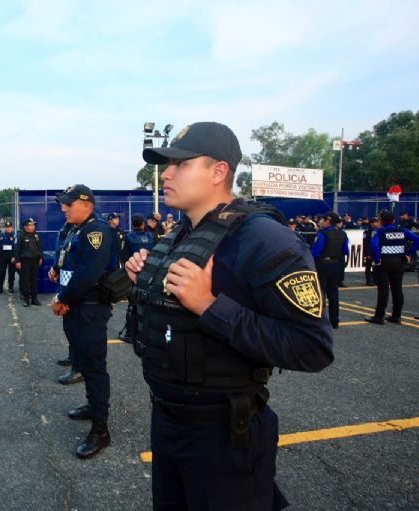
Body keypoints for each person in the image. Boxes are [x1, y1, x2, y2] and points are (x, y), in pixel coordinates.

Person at [126, 121, 334, 509]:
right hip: (167, 422)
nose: (166, 174)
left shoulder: (265, 239)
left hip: (223, 435)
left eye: (180, 164)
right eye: (167, 165)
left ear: (219, 171)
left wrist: (209, 306)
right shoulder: (180, 234)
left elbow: (312, 347)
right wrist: (146, 279)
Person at [53, 184, 119, 459]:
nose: (64, 208)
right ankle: (93, 407)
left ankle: (101, 429)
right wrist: (57, 270)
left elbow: (88, 275)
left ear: (87, 205)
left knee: (94, 367)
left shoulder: (96, 231)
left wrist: (61, 298)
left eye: (69, 204)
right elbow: (71, 261)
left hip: (89, 309)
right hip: (76, 306)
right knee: (83, 362)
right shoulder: (77, 230)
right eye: (63, 204)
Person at [364, 210, 419, 324]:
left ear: (381, 221)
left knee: (383, 289)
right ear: (393, 220)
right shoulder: (402, 231)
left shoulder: (379, 232)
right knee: (397, 289)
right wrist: (408, 253)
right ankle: (396, 315)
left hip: (384, 262)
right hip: (399, 262)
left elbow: (374, 246)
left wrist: (377, 259)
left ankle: (379, 316)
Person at [50, 221, 84, 385]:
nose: (64, 210)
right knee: (69, 327)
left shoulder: (85, 230)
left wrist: (64, 296)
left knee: (77, 329)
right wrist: (56, 268)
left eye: (68, 208)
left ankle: (79, 367)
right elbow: (62, 253)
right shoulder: (68, 228)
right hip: (65, 282)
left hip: (75, 287)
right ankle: (73, 357)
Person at [117, 214, 157, 343]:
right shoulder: (151, 236)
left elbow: (123, 258)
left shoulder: (128, 237)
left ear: (132, 224)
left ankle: (130, 334)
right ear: (143, 223)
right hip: (150, 275)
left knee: (133, 306)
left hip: (134, 275)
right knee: (149, 305)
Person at [311, 213, 349, 329]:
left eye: (322, 220)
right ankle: (334, 320)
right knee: (333, 294)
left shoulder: (323, 234)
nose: (320, 222)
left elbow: (316, 252)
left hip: (323, 265)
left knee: (320, 293)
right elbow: (345, 250)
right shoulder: (342, 233)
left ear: (327, 221)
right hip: (336, 264)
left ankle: (320, 320)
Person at [14, 218, 44, 307]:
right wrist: (17, 261)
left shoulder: (36, 236)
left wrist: (40, 257)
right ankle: (26, 299)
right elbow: (16, 249)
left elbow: (40, 248)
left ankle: (34, 298)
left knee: (34, 280)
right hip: (25, 262)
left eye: (33, 225)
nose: (33, 227)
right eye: (30, 225)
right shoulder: (20, 235)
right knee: (25, 281)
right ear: (25, 227)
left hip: (35, 262)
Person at [0, 221, 16, 294]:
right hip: (2, 257)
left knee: (11, 274)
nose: (9, 229)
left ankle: (11, 287)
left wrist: (14, 256)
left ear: (12, 228)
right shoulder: (0, 236)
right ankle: (0, 288)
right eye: (7, 227)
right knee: (1, 273)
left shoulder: (15, 236)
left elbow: (16, 247)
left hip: (12, 257)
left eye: (10, 227)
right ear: (5, 228)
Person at [362, 217, 381, 286]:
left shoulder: (377, 230)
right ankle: (368, 280)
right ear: (372, 223)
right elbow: (366, 243)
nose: (378, 223)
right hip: (370, 251)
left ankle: (375, 279)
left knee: (376, 266)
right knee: (368, 266)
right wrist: (367, 253)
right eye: (377, 222)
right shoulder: (368, 231)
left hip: (376, 251)